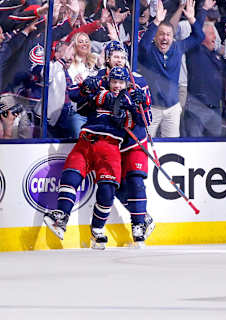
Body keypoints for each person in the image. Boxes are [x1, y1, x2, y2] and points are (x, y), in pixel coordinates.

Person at [43, 66, 143, 249]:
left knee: (107, 192)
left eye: (121, 82)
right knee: (70, 177)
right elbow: (76, 96)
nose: (117, 85)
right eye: (114, 81)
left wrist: (138, 106)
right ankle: (61, 218)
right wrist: (85, 86)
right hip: (86, 142)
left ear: (126, 84)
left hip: (110, 148)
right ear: (109, 81)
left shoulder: (130, 102)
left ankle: (97, 229)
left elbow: (142, 122)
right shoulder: (100, 93)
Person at [94, 40, 155, 244]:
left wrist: (142, 104)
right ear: (108, 58)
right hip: (112, 141)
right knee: (116, 187)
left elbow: (148, 119)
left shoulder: (139, 81)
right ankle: (143, 216)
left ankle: (138, 226)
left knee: (136, 181)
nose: (119, 60)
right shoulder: (101, 79)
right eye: (115, 56)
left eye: (122, 56)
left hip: (134, 139)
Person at [138, 0, 214, 137]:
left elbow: (199, 36)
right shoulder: (149, 51)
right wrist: (156, 21)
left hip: (172, 108)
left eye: (168, 34)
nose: (164, 37)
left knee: (172, 145)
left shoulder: (178, 48)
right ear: (155, 37)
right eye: (161, 34)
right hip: (151, 109)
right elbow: (142, 45)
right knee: (146, 143)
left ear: (173, 37)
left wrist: (192, 19)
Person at [184, 21, 224, 137]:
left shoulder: (214, 55)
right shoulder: (195, 50)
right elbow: (196, 34)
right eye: (211, 33)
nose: (215, 37)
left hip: (215, 108)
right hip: (197, 107)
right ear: (201, 36)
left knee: (215, 147)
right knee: (194, 147)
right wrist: (203, 10)